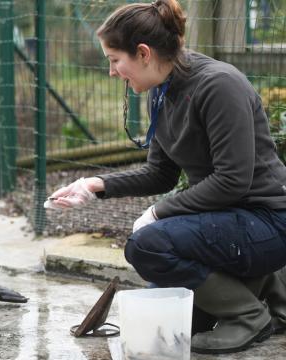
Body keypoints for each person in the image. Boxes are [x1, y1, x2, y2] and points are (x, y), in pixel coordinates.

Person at [47, 0, 286, 354]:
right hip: (228, 221)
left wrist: (159, 213)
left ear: (143, 53)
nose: (112, 71)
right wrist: (95, 186)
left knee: (147, 245)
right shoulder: (160, 91)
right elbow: (160, 173)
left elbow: (233, 180)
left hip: (268, 222)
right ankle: (259, 285)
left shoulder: (219, 86)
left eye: (115, 60)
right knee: (171, 322)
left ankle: (250, 316)